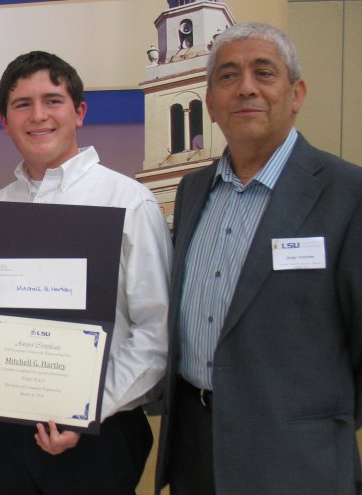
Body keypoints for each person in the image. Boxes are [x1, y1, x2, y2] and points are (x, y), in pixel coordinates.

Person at [155, 22, 362, 495]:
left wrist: (310, 425)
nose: (245, 87)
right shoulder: (192, 190)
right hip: (195, 449)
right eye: (228, 76)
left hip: (295, 461)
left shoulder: (348, 194)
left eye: (263, 72)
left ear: (297, 93)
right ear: (209, 103)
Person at [0, 50, 172, 495]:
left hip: (101, 431)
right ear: (4, 121)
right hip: (8, 434)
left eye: (52, 100)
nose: (38, 116)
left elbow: (155, 333)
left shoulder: (129, 203)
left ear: (79, 112)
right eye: (22, 105)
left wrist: (87, 410)